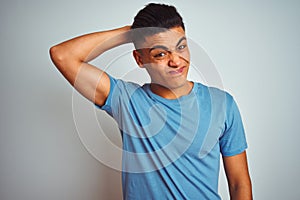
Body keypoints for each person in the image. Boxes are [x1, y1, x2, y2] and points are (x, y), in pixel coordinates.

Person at [50, 3, 252, 200]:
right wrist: (132, 33)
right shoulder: (126, 100)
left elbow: (238, 184)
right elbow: (62, 55)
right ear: (139, 59)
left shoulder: (222, 104)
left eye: (181, 47)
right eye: (161, 54)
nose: (176, 61)